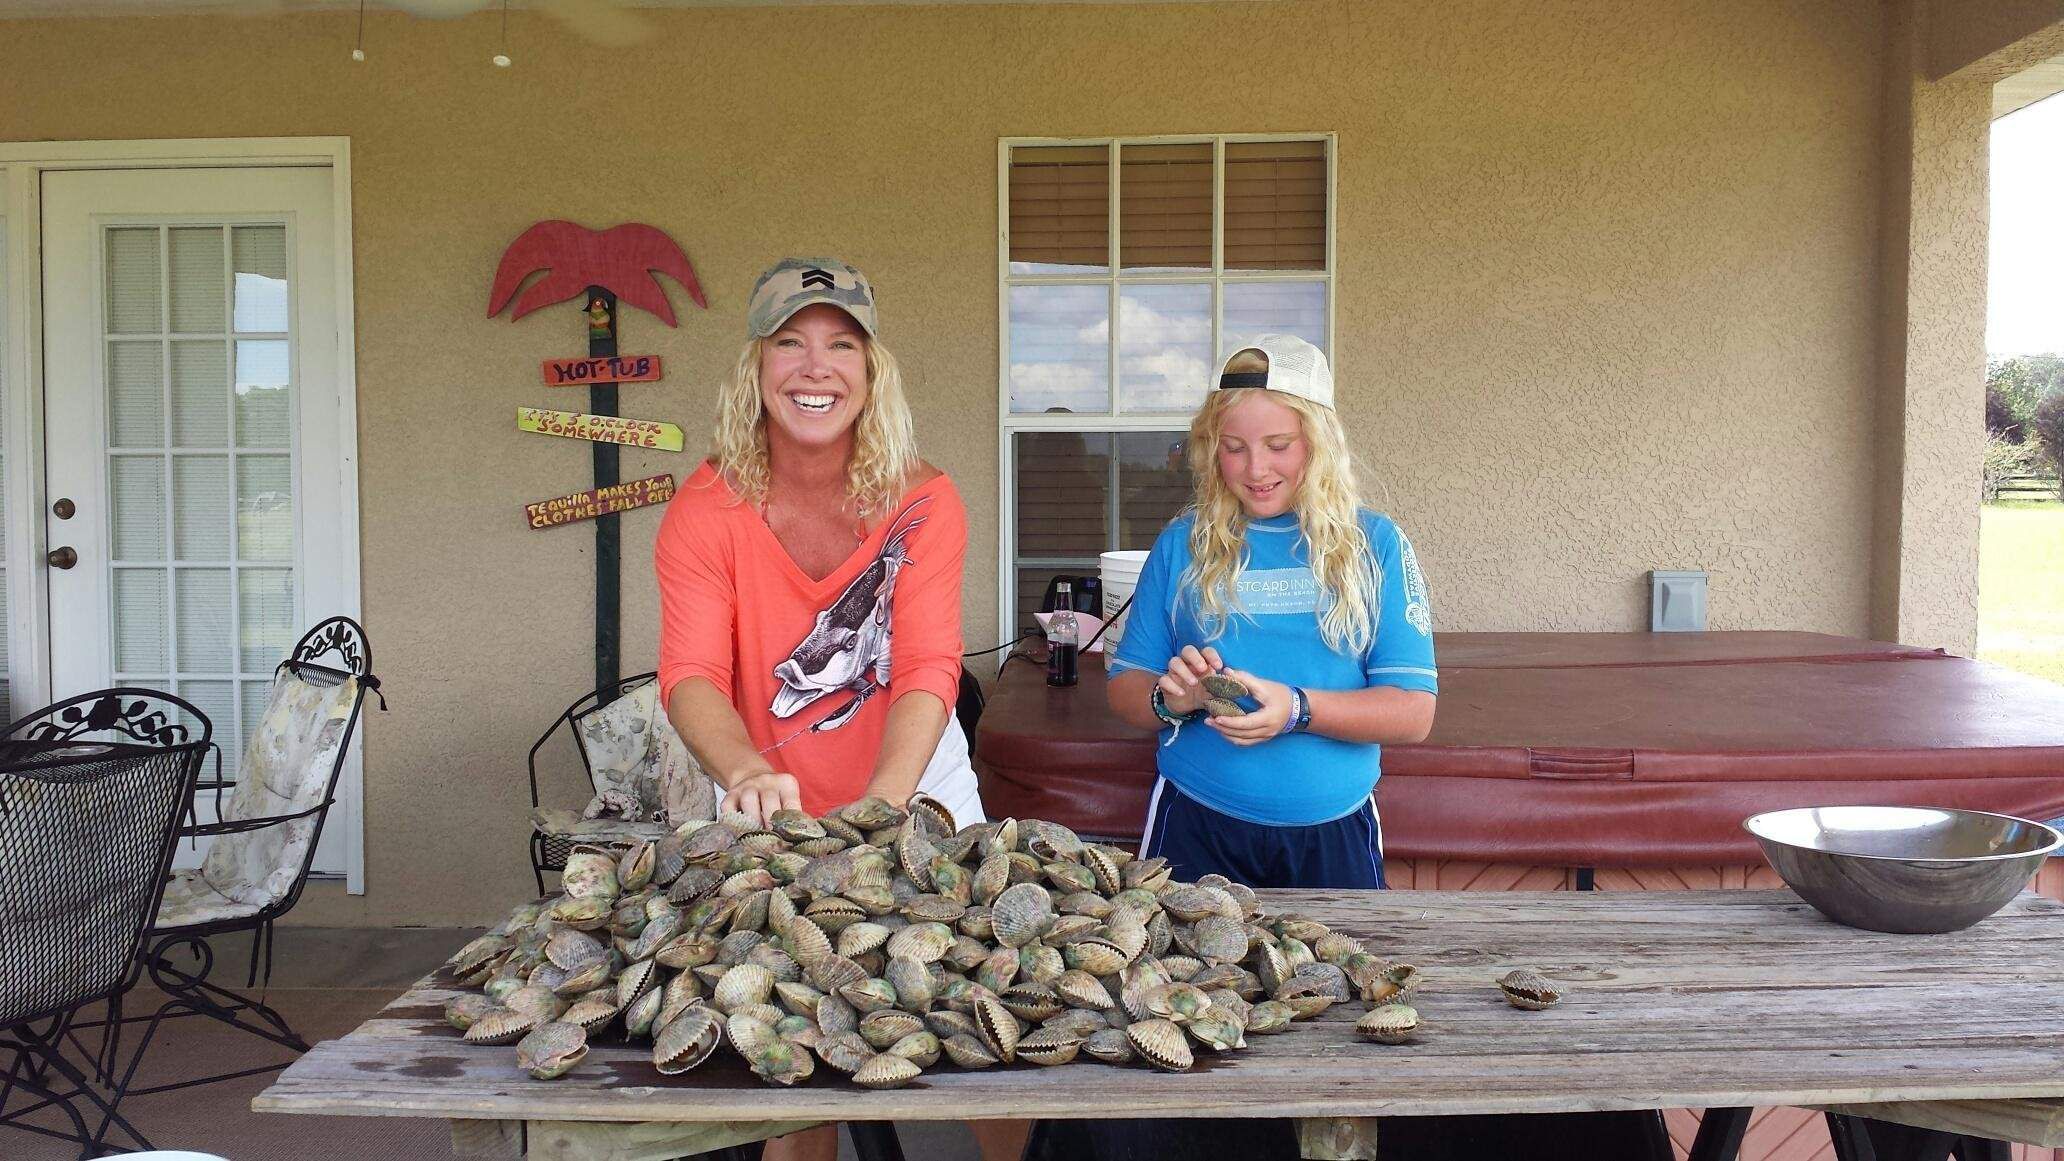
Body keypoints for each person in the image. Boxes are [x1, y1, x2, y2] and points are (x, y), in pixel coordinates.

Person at [654, 256, 1023, 1161]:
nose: (814, 367)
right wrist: (742, 768)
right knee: (797, 1058)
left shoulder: (925, 500)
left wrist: (886, 806)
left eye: (840, 344)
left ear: (870, 370)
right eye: (790, 342)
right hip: (767, 799)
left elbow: (930, 665)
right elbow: (691, 672)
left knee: (980, 1036)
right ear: (755, 367)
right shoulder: (704, 507)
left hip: (912, 782)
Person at [1106, 333, 1437, 889]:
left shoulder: (1375, 544)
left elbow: (1412, 713)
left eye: (1279, 444)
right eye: (1233, 447)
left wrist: (1296, 709)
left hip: (1333, 828)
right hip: (1195, 819)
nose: (1255, 468)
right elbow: (1123, 689)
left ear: (1319, 440)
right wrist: (1172, 699)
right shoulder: (1182, 542)